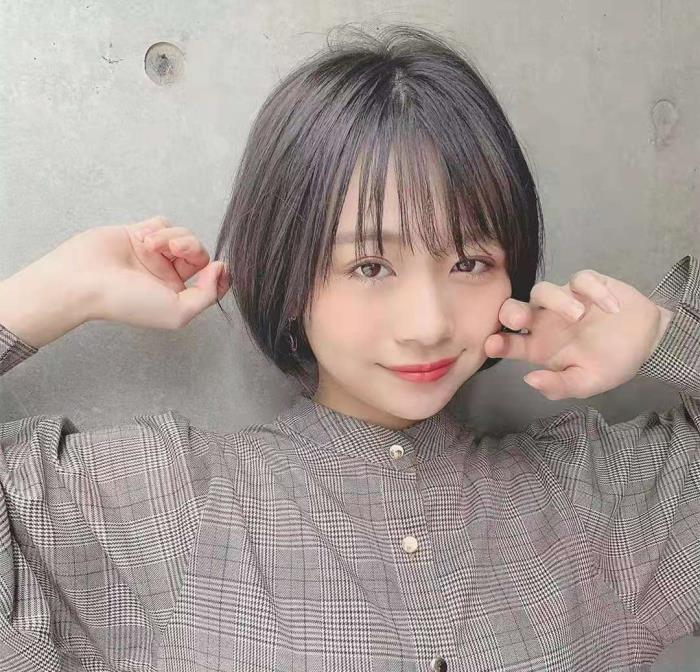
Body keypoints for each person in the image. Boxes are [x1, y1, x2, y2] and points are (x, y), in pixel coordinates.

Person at [0, 23, 697, 672]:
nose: (427, 324)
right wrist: (58, 291)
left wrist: (661, 338)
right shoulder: (164, 505)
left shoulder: (595, 499)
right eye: (369, 266)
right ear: (289, 274)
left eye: (469, 262)